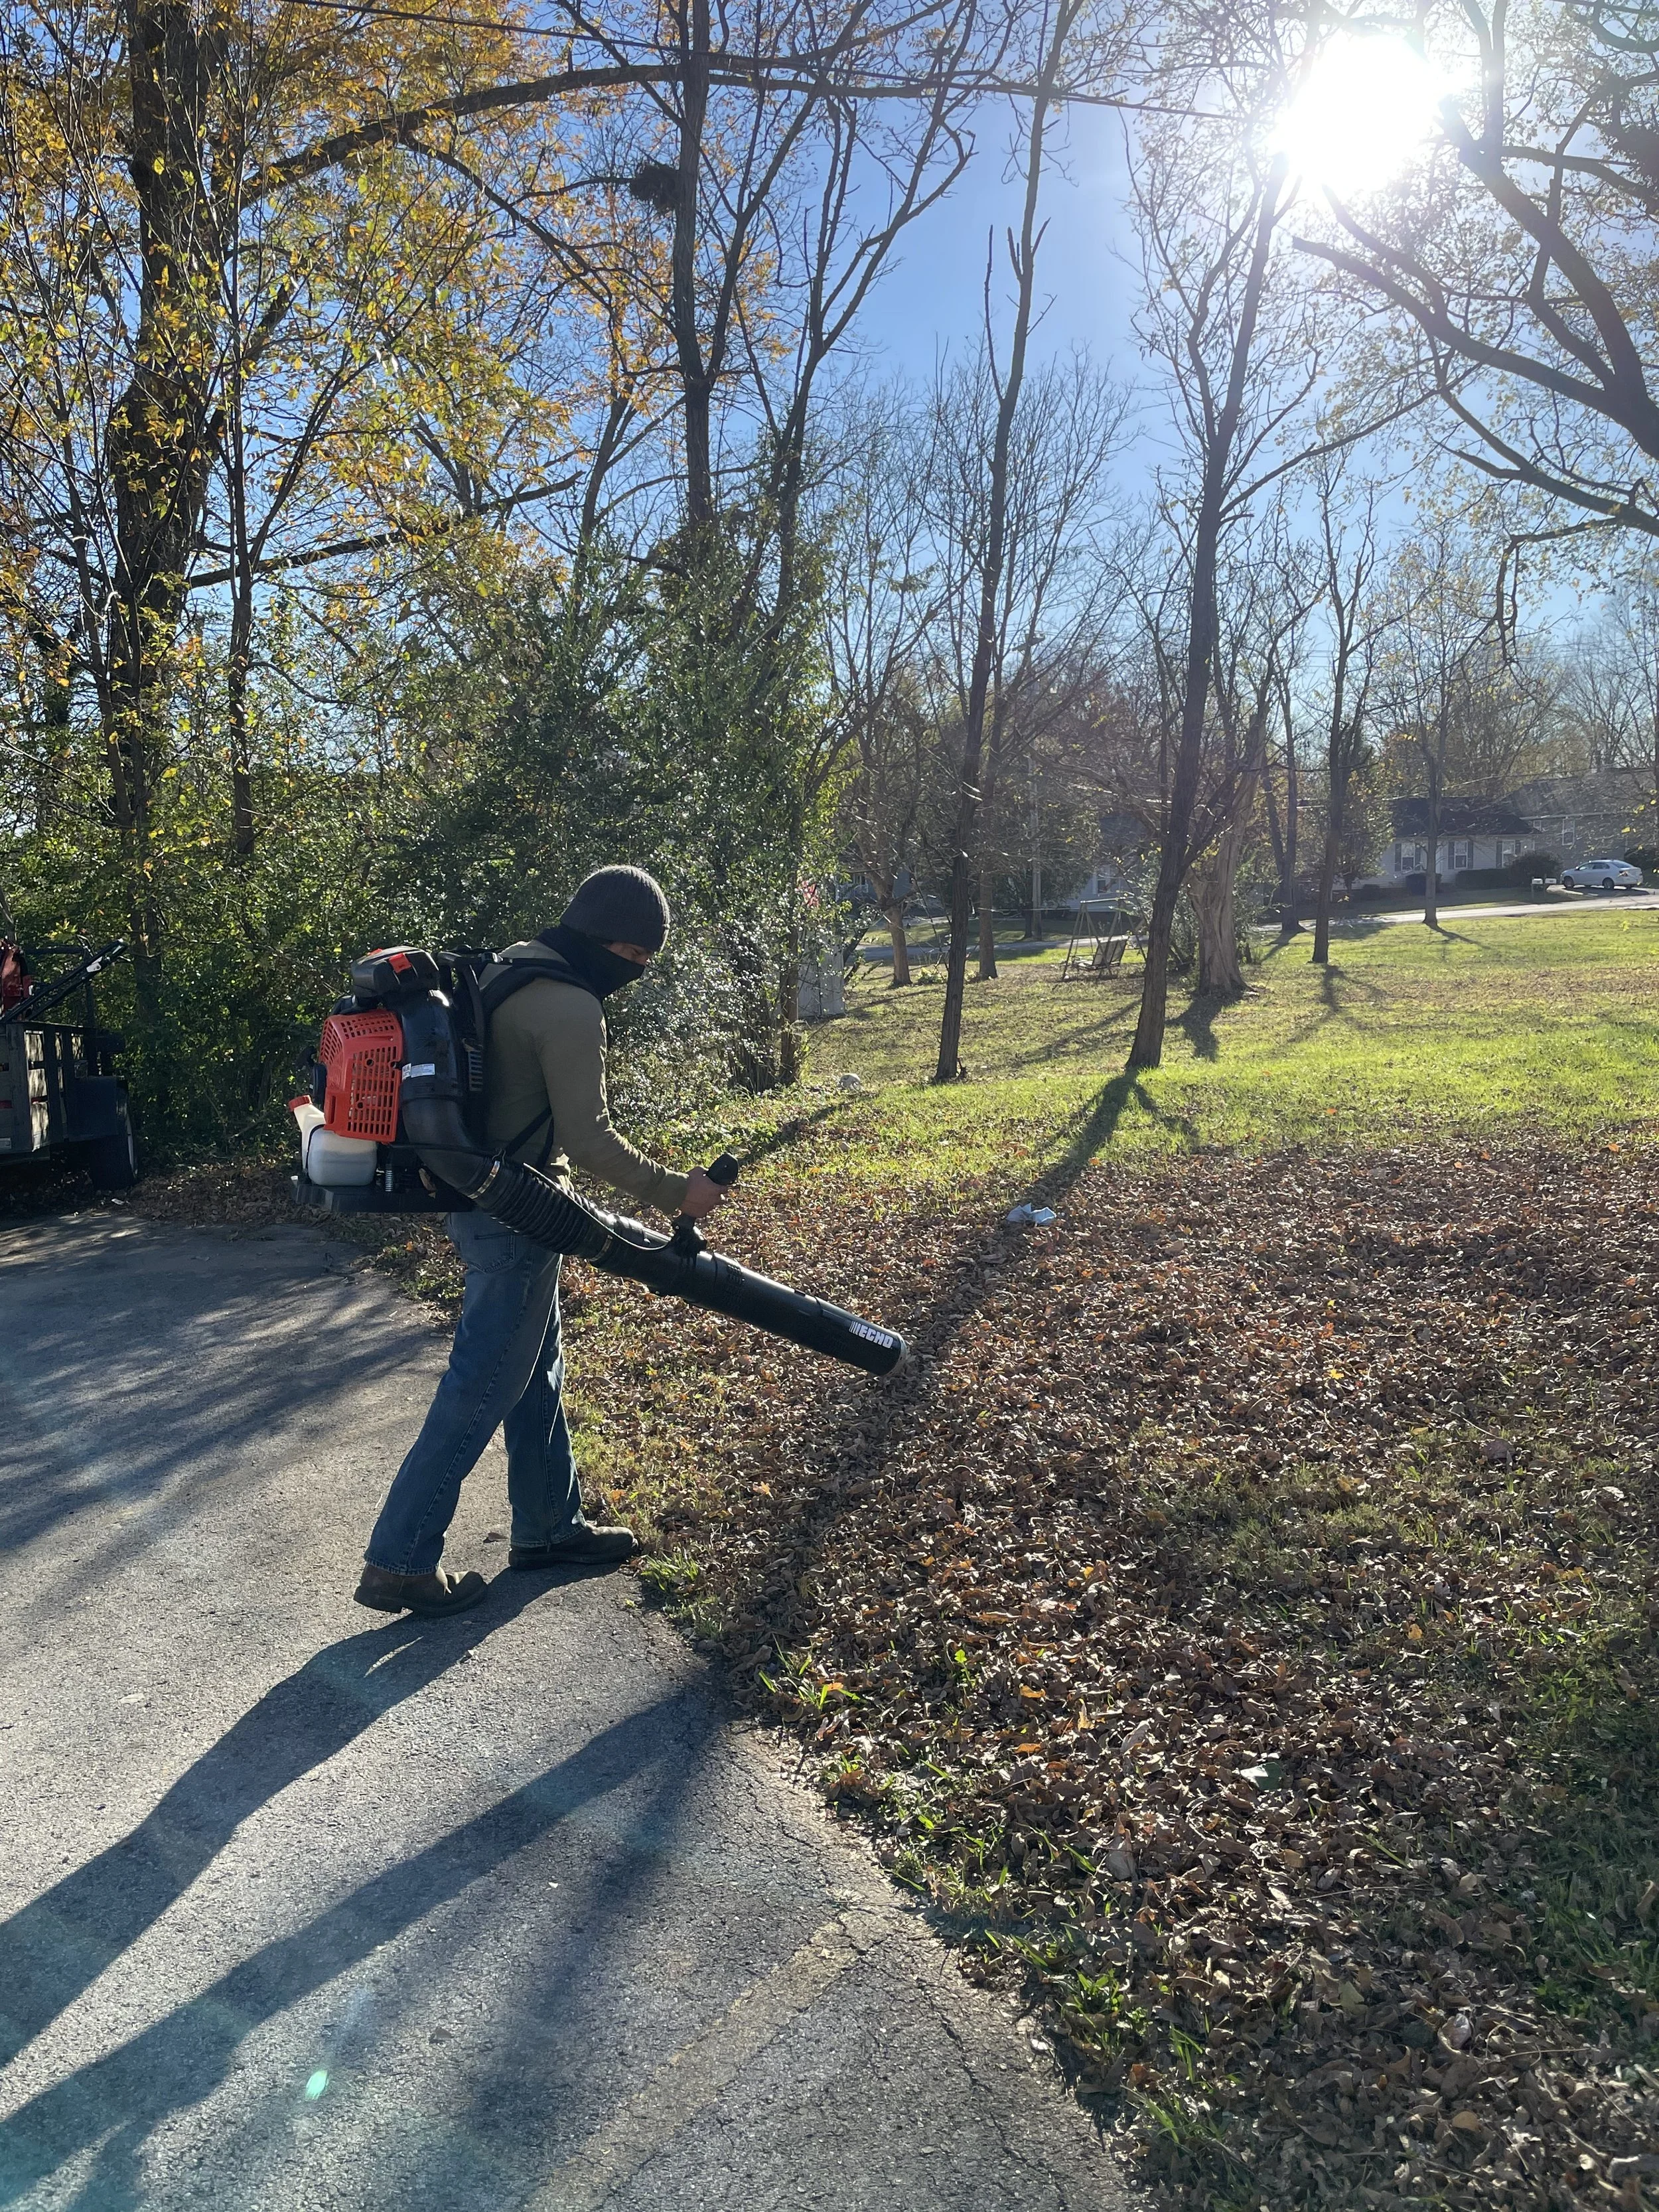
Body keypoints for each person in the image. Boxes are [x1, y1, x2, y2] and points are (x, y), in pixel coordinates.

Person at [355, 866, 727, 1618]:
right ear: (618, 943)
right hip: (517, 1213)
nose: (640, 974)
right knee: (482, 1386)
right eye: (642, 960)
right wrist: (675, 1192)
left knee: (535, 1375)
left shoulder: (511, 965)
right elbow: (588, 1140)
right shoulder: (569, 1005)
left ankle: (550, 1529)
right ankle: (398, 1561)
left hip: (483, 1199)